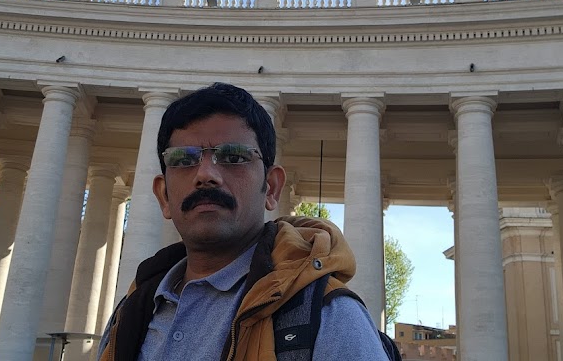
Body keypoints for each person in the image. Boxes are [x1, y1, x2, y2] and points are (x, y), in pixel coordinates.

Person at [98, 83, 388, 360]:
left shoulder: (331, 316)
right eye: (184, 159)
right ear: (163, 195)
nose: (205, 174)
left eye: (233, 156)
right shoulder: (129, 314)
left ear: (271, 188)